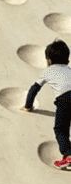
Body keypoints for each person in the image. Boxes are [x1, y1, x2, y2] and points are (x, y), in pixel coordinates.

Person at [21, 39, 71, 169]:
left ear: (48, 61)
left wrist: (28, 106)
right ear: (67, 59)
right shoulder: (69, 70)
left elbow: (34, 89)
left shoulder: (47, 71)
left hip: (65, 100)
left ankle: (68, 155)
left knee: (60, 129)